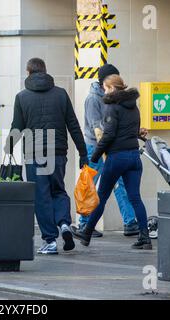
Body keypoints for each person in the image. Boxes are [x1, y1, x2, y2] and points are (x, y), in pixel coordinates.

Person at [4, 58, 88, 254]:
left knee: (41, 196)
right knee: (58, 190)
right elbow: (73, 125)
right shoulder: (60, 94)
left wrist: (8, 148)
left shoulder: (22, 97)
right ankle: (65, 223)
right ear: (45, 71)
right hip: (57, 152)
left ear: (28, 72)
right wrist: (83, 153)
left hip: (34, 154)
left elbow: (17, 127)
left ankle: (50, 240)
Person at [71, 75, 152, 250]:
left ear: (113, 88)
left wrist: (95, 155)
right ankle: (145, 238)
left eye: (106, 88)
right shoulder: (134, 107)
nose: (104, 91)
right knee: (135, 198)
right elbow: (133, 130)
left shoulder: (112, 107)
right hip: (134, 157)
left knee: (102, 196)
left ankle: (86, 233)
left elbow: (108, 134)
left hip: (117, 158)